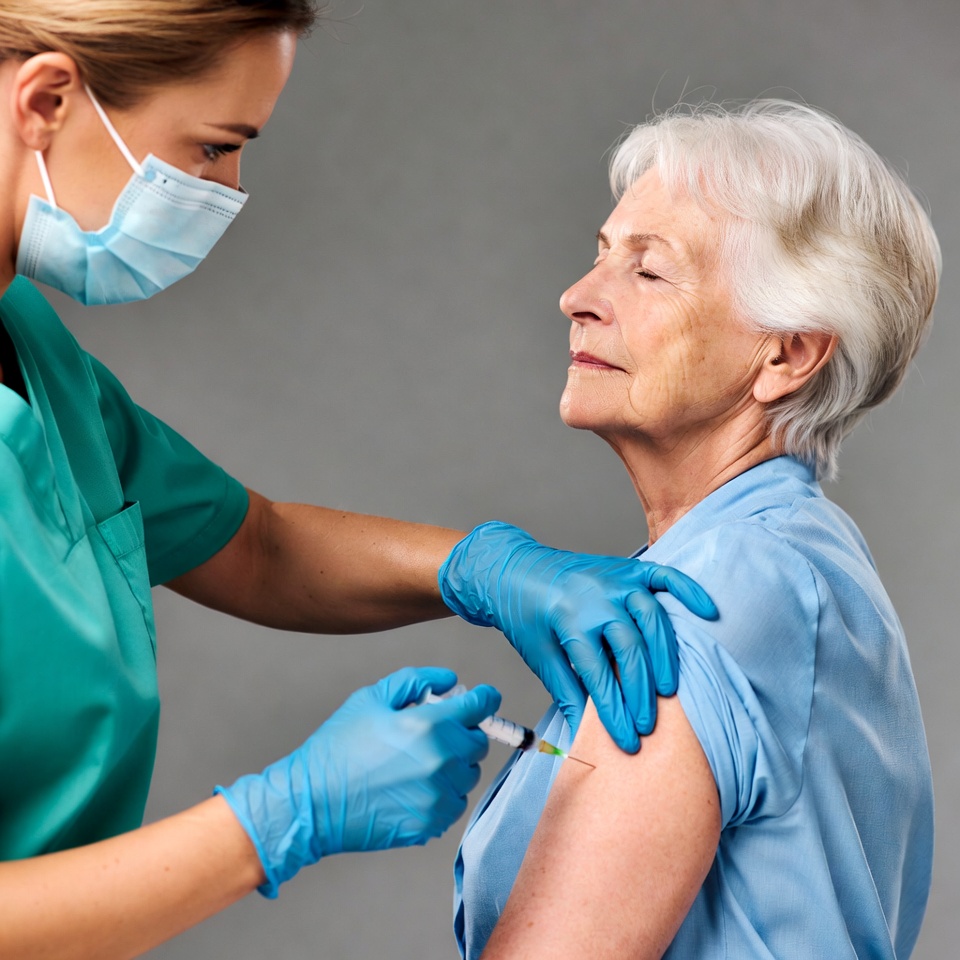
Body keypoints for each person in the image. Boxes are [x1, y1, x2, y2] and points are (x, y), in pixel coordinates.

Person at [0, 2, 721, 956]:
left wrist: (483, 569)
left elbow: (251, 545)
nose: (230, 189)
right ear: (46, 100)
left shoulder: (29, 348)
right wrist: (277, 819)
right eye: (213, 147)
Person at [453, 99, 939, 960]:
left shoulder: (721, 585)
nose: (577, 298)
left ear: (787, 353)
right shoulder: (783, 553)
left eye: (648, 272)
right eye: (601, 256)